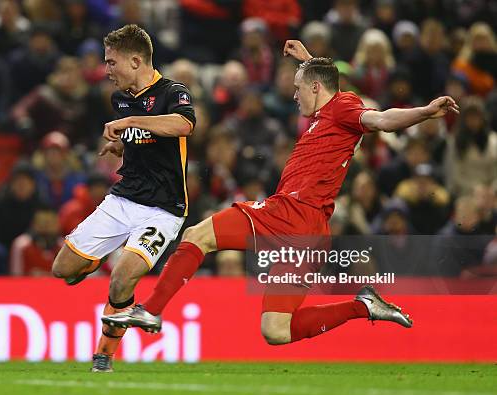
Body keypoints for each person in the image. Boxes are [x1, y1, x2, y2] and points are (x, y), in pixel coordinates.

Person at [103, 39, 459, 348]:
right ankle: (362, 305)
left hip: (291, 213)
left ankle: (150, 310)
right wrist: (306, 59)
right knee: (276, 330)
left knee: (198, 235)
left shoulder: (345, 108)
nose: (293, 94)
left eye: (298, 87)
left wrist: (426, 112)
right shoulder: (330, 107)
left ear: (315, 88)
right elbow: (323, 79)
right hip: (311, 231)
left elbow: (381, 119)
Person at [50, 24, 195, 372]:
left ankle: (104, 353)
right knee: (62, 269)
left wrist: (131, 122)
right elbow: (141, 134)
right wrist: (121, 141)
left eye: (111, 62)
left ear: (135, 60)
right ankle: (93, 259)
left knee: (122, 278)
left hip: (163, 208)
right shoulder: (120, 98)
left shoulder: (173, 91)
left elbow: (183, 125)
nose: (107, 70)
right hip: (123, 198)